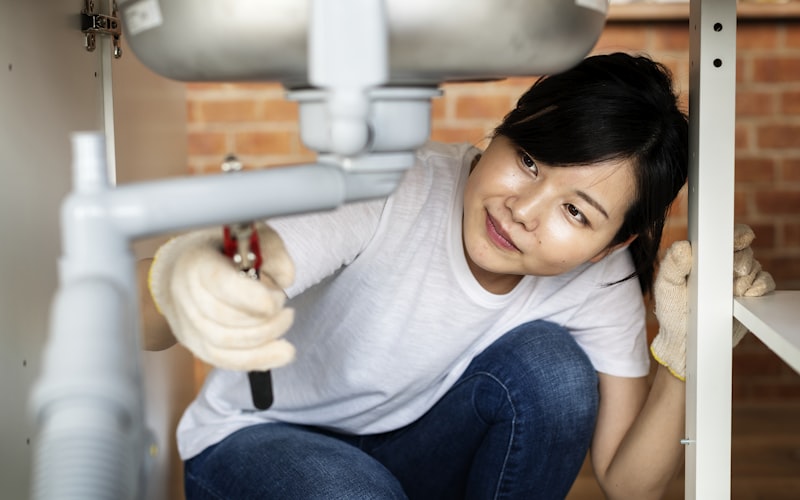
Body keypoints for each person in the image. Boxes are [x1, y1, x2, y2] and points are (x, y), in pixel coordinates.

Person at [140, 52, 774, 499]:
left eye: (576, 212)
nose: (521, 212)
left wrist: (682, 353)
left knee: (555, 374)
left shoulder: (599, 279)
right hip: (257, 441)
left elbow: (628, 484)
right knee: (357, 493)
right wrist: (188, 277)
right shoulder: (395, 183)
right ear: (506, 124)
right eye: (528, 159)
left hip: (413, 444)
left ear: (617, 241)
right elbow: (260, 256)